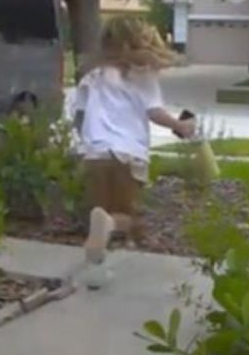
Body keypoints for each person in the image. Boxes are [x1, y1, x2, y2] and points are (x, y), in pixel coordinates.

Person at [73, 16, 196, 270]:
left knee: (101, 210)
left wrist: (85, 142)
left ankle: (98, 264)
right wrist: (180, 126)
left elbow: (79, 116)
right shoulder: (143, 76)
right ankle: (121, 234)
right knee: (127, 216)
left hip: (95, 153)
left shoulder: (92, 76)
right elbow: (154, 113)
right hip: (128, 154)